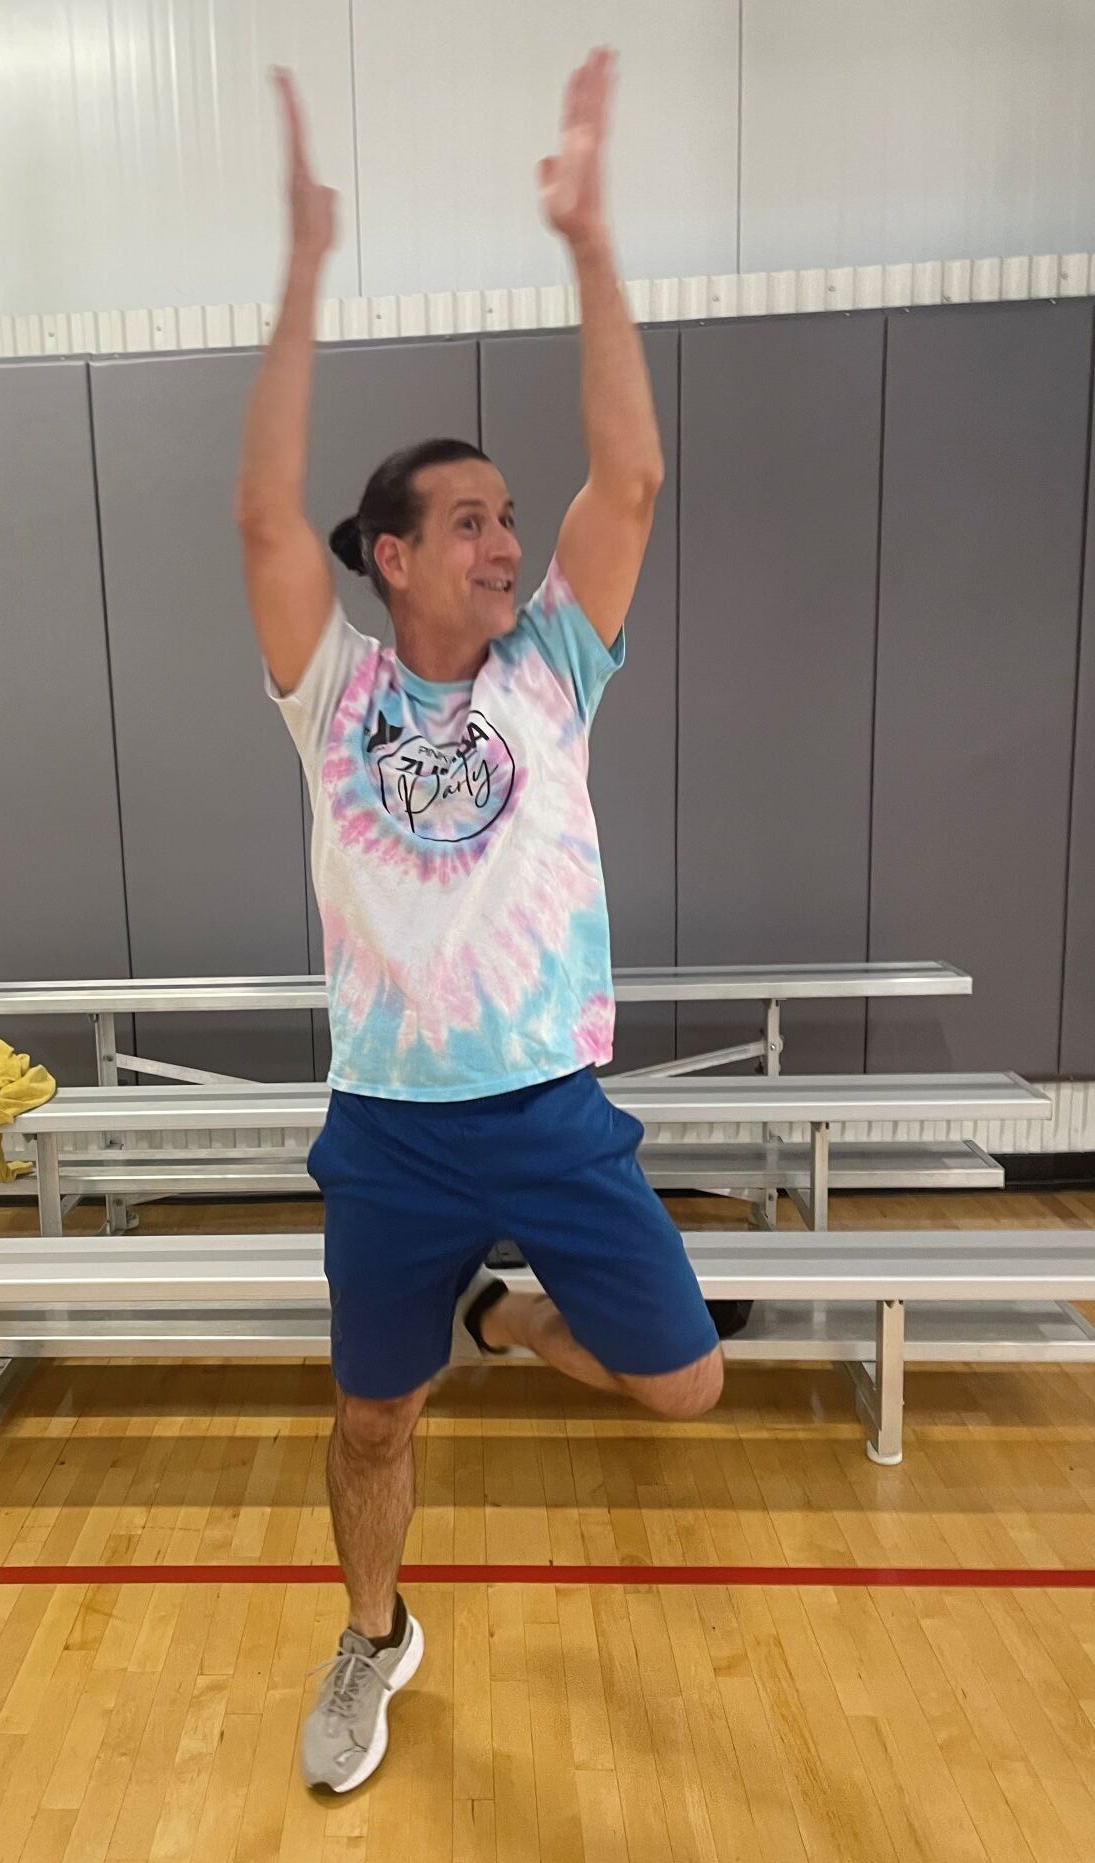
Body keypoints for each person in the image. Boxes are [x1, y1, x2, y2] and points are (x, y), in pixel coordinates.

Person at [235, 48, 724, 1796]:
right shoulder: (333, 690)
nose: (507, 540)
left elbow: (634, 480)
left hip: (551, 1112)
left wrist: (589, 239)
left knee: (683, 1390)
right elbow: (260, 513)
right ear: (389, 554)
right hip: (388, 1129)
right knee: (372, 1419)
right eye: (468, 521)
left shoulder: (553, 673)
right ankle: (373, 1639)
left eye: (512, 516)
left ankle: (501, 1318)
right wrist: (305, 266)